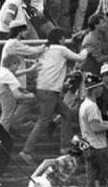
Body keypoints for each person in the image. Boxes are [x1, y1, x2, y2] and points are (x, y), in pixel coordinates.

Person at [20, 28, 87, 161]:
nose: (64, 41)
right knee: (43, 121)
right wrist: (87, 48)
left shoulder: (46, 50)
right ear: (60, 38)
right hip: (49, 91)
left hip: (44, 89)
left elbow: (53, 69)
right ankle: (26, 151)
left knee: (67, 114)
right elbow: (80, 57)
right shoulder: (61, 49)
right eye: (63, 38)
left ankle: (64, 147)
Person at [0, 55, 35, 176]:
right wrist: (32, 96)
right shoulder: (7, 74)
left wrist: (25, 91)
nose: (17, 68)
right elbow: (17, 95)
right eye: (16, 65)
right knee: (7, 140)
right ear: (12, 64)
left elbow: (18, 87)